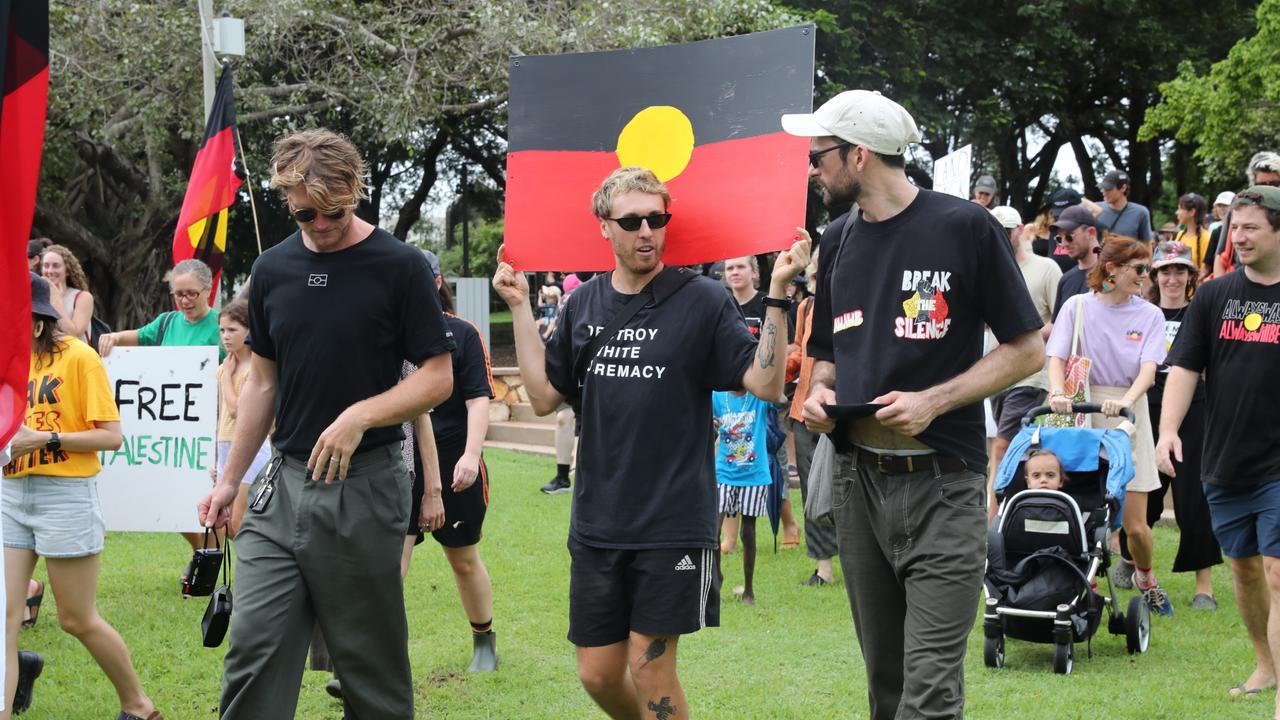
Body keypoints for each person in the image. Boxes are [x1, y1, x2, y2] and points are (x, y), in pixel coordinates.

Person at [492, 165, 808, 720]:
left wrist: (778, 294)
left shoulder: (703, 299)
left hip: (673, 519)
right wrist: (520, 306)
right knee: (596, 673)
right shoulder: (582, 306)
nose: (647, 231)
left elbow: (765, 383)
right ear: (604, 227)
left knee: (649, 667)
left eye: (657, 219)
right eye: (632, 220)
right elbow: (542, 398)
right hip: (598, 520)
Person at [786, 89, 1045, 720]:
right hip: (858, 485)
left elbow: (1028, 349)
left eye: (819, 156)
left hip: (944, 486)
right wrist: (821, 392)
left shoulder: (962, 227)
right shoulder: (839, 239)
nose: (810, 170)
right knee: (888, 687)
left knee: (927, 697)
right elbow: (825, 352)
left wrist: (935, 400)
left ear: (859, 156)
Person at [196, 128, 456, 720]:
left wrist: (361, 415)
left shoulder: (400, 265)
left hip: (364, 486)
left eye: (333, 211)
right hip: (281, 485)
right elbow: (263, 381)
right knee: (253, 648)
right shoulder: (271, 269)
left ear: (355, 191)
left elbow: (437, 378)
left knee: (368, 664)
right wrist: (231, 479)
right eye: (304, 212)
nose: (319, 223)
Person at [2, 274, 160, 720]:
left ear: (36, 323)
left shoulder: (79, 358)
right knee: (4, 620)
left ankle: (139, 704)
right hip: (10, 493)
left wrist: (46, 439)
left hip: (64, 494)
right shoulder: (6, 361)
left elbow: (112, 438)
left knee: (75, 618)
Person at [1157, 186, 1280, 708]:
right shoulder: (1213, 295)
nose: (1238, 236)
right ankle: (1264, 664)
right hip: (1225, 458)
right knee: (1246, 570)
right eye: (1234, 226)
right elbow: (1185, 366)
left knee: (1277, 570)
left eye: (1250, 226)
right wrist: (1167, 431)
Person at [1046, 235, 1172, 616]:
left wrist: (1127, 403)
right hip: (1081, 405)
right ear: (1112, 269)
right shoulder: (1078, 306)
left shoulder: (1150, 315)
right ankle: (1082, 581)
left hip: (1128, 412)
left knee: (1135, 524)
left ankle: (1145, 577)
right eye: (1138, 269)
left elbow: (1149, 371)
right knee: (1078, 506)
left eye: (1147, 269)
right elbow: (1057, 356)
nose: (1144, 277)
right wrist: (1056, 392)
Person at [402, 249, 499, 672]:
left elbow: (479, 400)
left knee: (461, 558)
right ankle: (377, 660)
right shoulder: (391, 333)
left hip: (455, 464)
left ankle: (484, 641)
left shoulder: (462, 334)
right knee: (390, 565)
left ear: (437, 282)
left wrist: (470, 456)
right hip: (401, 465)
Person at [100, 257, 223, 553]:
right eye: (178, 294)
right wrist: (113, 338)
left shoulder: (222, 326)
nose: (184, 300)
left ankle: (208, 561)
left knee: (209, 501)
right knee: (173, 501)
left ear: (207, 290)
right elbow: (138, 337)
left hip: (211, 426)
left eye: (191, 293)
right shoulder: (166, 322)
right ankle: (201, 555)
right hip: (171, 431)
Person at [1140, 242, 1222, 609]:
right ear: (1155, 276)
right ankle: (1132, 561)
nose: (1172, 278)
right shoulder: (1141, 313)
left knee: (1194, 494)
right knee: (1143, 489)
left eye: (1179, 271)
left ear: (1191, 276)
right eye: (1165, 271)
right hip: (1147, 404)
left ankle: (1204, 586)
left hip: (1195, 407)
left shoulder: (1202, 312)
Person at [985, 206, 1061, 520]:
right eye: (997, 231)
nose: (1003, 237)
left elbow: (1063, 322)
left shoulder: (1046, 269)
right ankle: (1017, 515)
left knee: (1002, 448)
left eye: (1008, 230)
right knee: (1005, 450)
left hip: (1031, 375)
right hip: (993, 376)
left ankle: (989, 523)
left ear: (1022, 230)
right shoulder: (986, 270)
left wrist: (1021, 332)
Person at [787, 250, 839, 586]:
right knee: (813, 489)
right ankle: (824, 567)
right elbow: (797, 350)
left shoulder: (857, 302)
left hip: (846, 408)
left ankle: (863, 560)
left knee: (853, 487)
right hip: (804, 409)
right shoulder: (805, 307)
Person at [212, 299, 273, 538]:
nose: (225, 336)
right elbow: (222, 415)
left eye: (232, 330)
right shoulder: (223, 367)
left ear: (249, 330)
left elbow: (237, 409)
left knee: (238, 522)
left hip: (251, 447)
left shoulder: (253, 369)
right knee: (223, 521)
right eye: (222, 330)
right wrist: (215, 454)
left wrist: (227, 376)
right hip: (225, 444)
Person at [712, 388, 774, 605]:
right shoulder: (717, 396)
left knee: (748, 533)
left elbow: (779, 398)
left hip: (754, 475)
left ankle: (749, 589)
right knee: (714, 530)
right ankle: (716, 578)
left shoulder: (758, 396)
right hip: (723, 473)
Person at [1213, 151, 1280, 277]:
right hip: (1243, 282)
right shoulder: (1240, 204)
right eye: (1262, 184)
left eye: (1274, 183)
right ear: (1253, 183)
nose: (1268, 188)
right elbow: (1221, 254)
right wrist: (1222, 291)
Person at [1050, 205, 1102, 319]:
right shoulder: (1066, 280)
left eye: (1069, 237)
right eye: (1059, 239)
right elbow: (1057, 325)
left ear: (1091, 233)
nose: (1063, 244)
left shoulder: (1112, 273)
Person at [40, 245, 94, 345]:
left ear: (67, 271)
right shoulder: (37, 298)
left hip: (75, 359)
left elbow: (74, 335)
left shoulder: (83, 297)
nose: (50, 271)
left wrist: (56, 300)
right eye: (46, 265)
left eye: (56, 266)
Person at [1097, 169, 1154, 243]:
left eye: (1108, 188)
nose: (1104, 192)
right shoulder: (1095, 209)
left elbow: (1147, 244)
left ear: (1123, 188)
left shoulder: (1141, 212)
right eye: (1103, 188)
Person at [1174, 193, 1212, 278]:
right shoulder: (1179, 235)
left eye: (1180, 208)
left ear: (1192, 212)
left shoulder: (1206, 238)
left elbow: (1204, 271)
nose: (1176, 212)